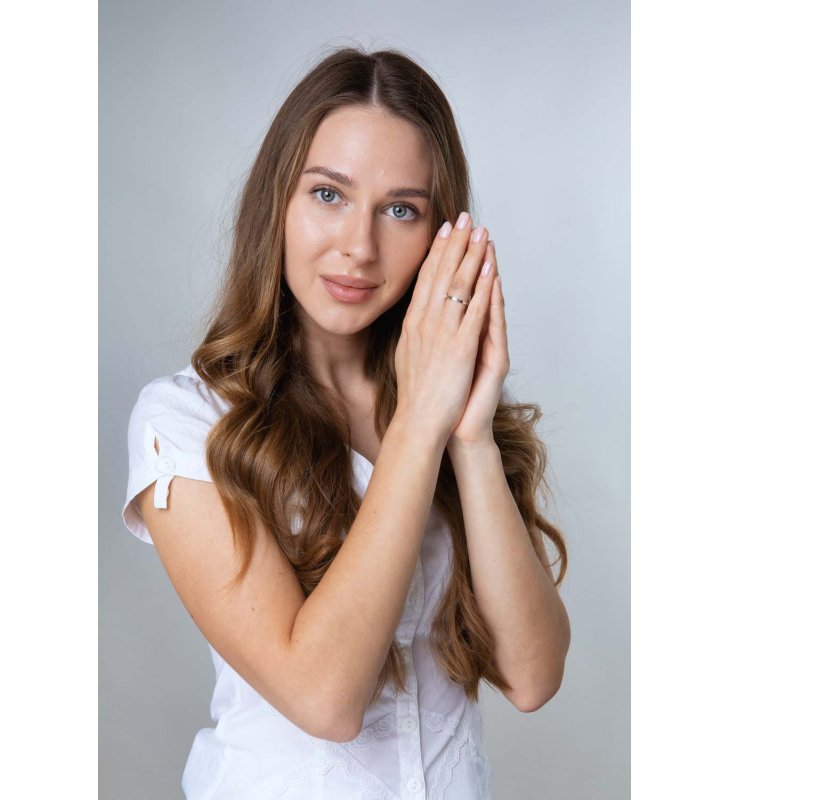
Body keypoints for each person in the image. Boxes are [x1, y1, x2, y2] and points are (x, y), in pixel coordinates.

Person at [122, 46, 570, 800]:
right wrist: (419, 430)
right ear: (278, 205)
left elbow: (532, 676)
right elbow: (324, 698)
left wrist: (468, 438)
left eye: (401, 209)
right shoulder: (188, 422)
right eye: (329, 195)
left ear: (442, 237)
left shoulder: (454, 413)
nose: (359, 248)